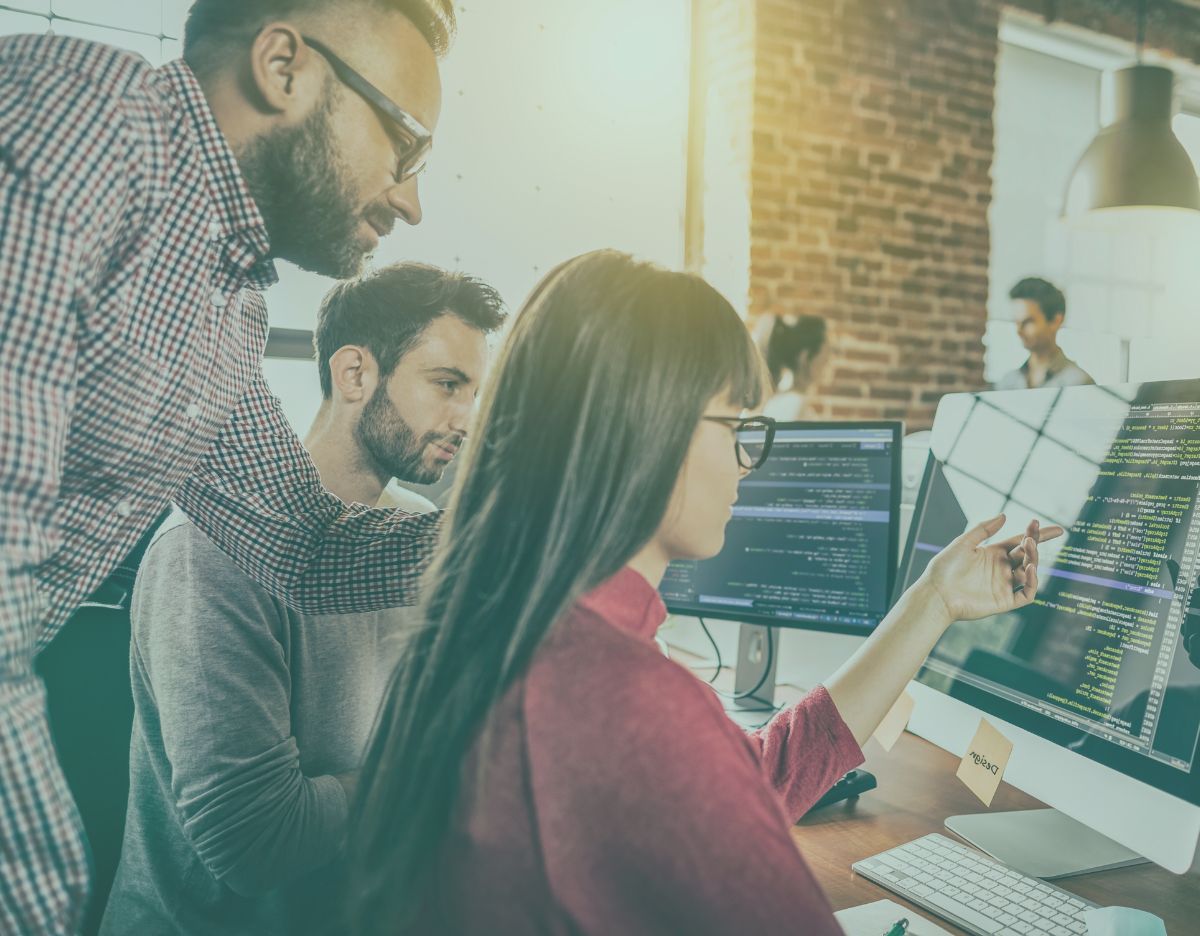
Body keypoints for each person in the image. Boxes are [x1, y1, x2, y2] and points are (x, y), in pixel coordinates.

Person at [343, 250, 1060, 934]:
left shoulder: (495, 628)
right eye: (737, 426)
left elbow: (750, 784)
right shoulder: (626, 699)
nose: (748, 463)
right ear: (647, 433)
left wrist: (933, 599)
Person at [0, 2, 457, 931]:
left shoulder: (224, 305)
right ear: (283, 66)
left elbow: (304, 547)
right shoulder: (77, 131)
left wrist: (532, 527)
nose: (409, 201)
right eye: (405, 146)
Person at [100, 263, 503, 936]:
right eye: (446, 385)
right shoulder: (209, 550)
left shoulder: (412, 539)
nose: (467, 419)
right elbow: (258, 843)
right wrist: (435, 774)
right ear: (355, 374)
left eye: (475, 393)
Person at [994, 277, 1093, 390]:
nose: (1019, 331)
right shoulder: (1007, 382)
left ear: (1056, 321)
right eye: (1016, 322)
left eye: (1028, 322)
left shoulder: (1079, 383)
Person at [754, 313, 828, 420]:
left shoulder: (784, 401)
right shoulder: (794, 405)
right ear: (805, 357)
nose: (827, 363)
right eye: (824, 357)